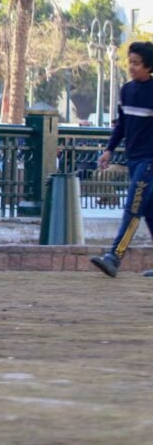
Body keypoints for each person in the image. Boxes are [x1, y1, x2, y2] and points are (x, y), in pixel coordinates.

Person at [91, 41, 153, 278]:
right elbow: (122, 126)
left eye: (137, 63)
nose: (132, 67)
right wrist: (109, 149)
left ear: (149, 66)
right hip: (133, 159)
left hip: (150, 162)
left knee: (133, 208)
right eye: (130, 62)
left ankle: (114, 257)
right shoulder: (126, 91)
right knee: (150, 213)